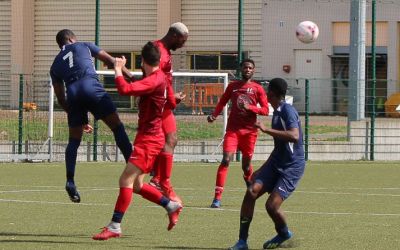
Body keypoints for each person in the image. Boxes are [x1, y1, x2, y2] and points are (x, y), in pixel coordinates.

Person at [92, 42, 183, 241]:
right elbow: (172, 103)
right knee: (137, 185)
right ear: (159, 60)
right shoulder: (162, 78)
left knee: (125, 180)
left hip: (150, 139)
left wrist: (117, 69)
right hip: (149, 137)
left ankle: (115, 226)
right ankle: (170, 205)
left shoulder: (154, 81)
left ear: (143, 61)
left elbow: (124, 89)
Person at [50, 29, 133, 203]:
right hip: (90, 85)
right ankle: (133, 166)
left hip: (72, 93)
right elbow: (112, 61)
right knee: (117, 127)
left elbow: (60, 97)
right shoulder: (84, 45)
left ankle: (70, 181)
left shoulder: (55, 64)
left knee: (73, 141)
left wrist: (77, 117)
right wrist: (132, 77)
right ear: (72, 39)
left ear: (60, 45)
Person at [228, 78, 306, 250]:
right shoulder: (277, 111)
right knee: (251, 191)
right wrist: (262, 169)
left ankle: (284, 233)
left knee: (271, 206)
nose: (264, 93)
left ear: (271, 93)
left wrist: (266, 129)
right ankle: (242, 241)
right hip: (277, 162)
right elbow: (279, 147)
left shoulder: (287, 111)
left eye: (267, 90)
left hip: (292, 167)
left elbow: (294, 136)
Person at [207, 58, 269, 208]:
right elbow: (222, 101)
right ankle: (217, 198)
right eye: (245, 67)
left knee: (246, 167)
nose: (247, 70)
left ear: (253, 71)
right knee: (226, 160)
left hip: (249, 132)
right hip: (233, 130)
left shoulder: (257, 88)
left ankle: (250, 187)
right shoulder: (233, 87)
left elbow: (266, 110)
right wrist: (214, 115)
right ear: (241, 69)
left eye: (250, 68)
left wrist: (251, 108)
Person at [149, 22, 188, 202]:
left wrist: (173, 98)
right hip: (157, 104)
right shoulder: (158, 51)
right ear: (174, 35)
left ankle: (158, 179)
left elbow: (165, 81)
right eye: (182, 40)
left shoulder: (164, 51)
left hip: (164, 103)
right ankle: (160, 181)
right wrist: (168, 98)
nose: (183, 45)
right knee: (166, 140)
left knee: (169, 140)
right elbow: (154, 79)